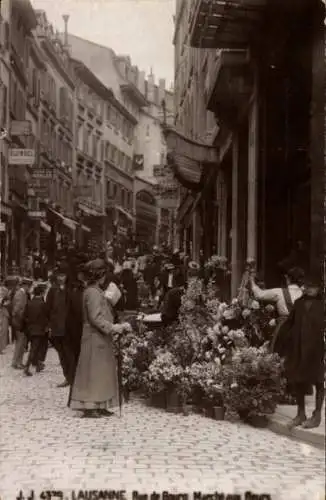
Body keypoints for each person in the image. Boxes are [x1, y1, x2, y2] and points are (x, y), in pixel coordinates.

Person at [68, 259, 131, 418]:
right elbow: (95, 318)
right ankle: (91, 405)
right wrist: (113, 327)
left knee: (101, 372)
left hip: (99, 337)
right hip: (95, 337)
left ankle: (101, 404)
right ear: (100, 275)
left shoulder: (94, 291)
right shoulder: (93, 292)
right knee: (94, 372)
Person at [275, 279, 324, 429]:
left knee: (319, 381)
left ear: (319, 289)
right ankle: (301, 413)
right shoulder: (299, 304)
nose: (310, 289)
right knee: (299, 380)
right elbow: (289, 325)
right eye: (308, 286)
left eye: (313, 287)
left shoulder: (323, 305)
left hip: (317, 350)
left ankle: (317, 415)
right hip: (298, 349)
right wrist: (281, 347)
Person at [249, 267, 304, 351]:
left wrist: (252, 282)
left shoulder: (280, 292)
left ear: (288, 278)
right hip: (302, 329)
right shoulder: (304, 293)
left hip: (284, 328)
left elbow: (259, 294)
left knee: (279, 355)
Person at [46, 262, 74, 387]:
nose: (60, 278)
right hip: (56, 327)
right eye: (59, 275)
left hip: (68, 328)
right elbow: (48, 308)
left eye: (63, 275)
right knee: (61, 354)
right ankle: (67, 376)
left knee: (69, 354)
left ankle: (72, 377)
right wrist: (49, 325)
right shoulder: (52, 291)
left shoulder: (70, 290)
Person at [23, 285, 48, 376]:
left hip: (30, 328)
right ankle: (27, 366)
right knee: (36, 348)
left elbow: (24, 316)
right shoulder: (43, 304)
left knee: (35, 347)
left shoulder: (29, 303)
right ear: (41, 293)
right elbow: (46, 317)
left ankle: (38, 364)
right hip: (40, 329)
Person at [11, 278, 31, 369]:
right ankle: (17, 362)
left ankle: (16, 361)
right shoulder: (21, 294)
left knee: (20, 342)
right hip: (19, 322)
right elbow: (17, 310)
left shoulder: (22, 293)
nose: (29, 288)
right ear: (25, 286)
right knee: (21, 342)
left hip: (18, 322)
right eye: (29, 286)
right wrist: (23, 319)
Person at [0, 278, 10, 354]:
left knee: (3, 331)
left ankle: (1, 347)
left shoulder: (5, 290)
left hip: (3, 312)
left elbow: (8, 300)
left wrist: (4, 303)